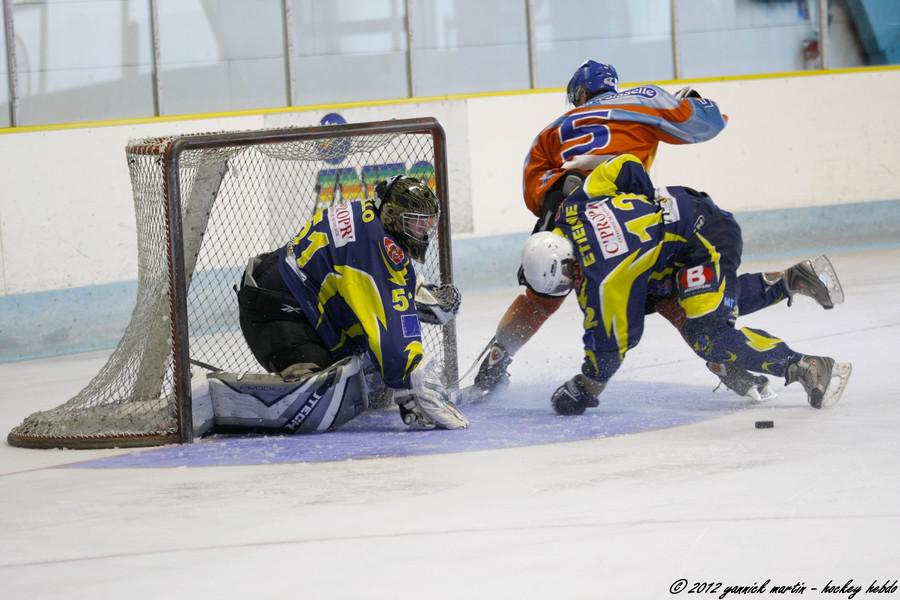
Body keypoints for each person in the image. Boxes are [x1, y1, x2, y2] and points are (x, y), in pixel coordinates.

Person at [474, 59, 840, 402]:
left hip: (577, 216)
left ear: (580, 96)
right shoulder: (643, 98)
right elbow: (706, 124)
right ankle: (734, 348)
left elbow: (535, 192)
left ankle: (497, 356)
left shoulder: (550, 132)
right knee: (664, 288)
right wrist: (694, 102)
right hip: (642, 216)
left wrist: (591, 383)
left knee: (546, 294)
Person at [519, 154, 851, 415]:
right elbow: (625, 165)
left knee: (708, 336)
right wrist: (651, 213)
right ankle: (791, 281)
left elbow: (611, 347)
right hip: (689, 215)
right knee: (675, 298)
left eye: (566, 281)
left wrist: (583, 389)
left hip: (705, 241)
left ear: (565, 265)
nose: (571, 286)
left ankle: (805, 365)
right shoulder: (574, 208)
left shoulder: (602, 280)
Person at [192, 175, 468, 436]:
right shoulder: (373, 247)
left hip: (283, 295)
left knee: (367, 378)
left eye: (427, 224)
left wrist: (416, 295)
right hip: (278, 313)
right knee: (322, 399)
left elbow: (377, 280)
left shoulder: (369, 217)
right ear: (394, 217)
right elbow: (388, 325)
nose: (424, 232)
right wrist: (411, 380)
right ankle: (210, 397)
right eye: (416, 223)